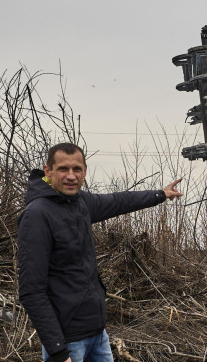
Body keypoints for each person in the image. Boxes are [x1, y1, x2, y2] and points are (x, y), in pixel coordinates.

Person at [17, 142, 182, 362]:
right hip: (68, 341)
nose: (71, 176)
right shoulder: (37, 215)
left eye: (77, 169)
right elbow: (31, 290)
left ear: (85, 171)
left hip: (97, 334)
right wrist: (58, 351)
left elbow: (119, 201)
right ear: (48, 171)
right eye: (63, 169)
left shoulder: (81, 202)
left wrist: (160, 194)